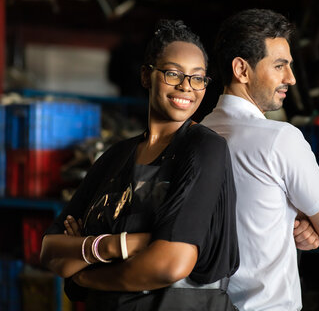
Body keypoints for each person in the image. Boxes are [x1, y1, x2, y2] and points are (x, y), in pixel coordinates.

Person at [40, 19, 240, 311]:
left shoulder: (204, 148)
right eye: (173, 73)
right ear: (147, 76)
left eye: (198, 78)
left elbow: (170, 264)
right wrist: (118, 245)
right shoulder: (116, 156)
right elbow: (50, 250)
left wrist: (85, 271)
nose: (186, 86)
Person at [201, 8, 319, 311]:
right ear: (242, 70)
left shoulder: (196, 135)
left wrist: (286, 214)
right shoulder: (280, 139)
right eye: (280, 66)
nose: (291, 79)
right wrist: (304, 219)